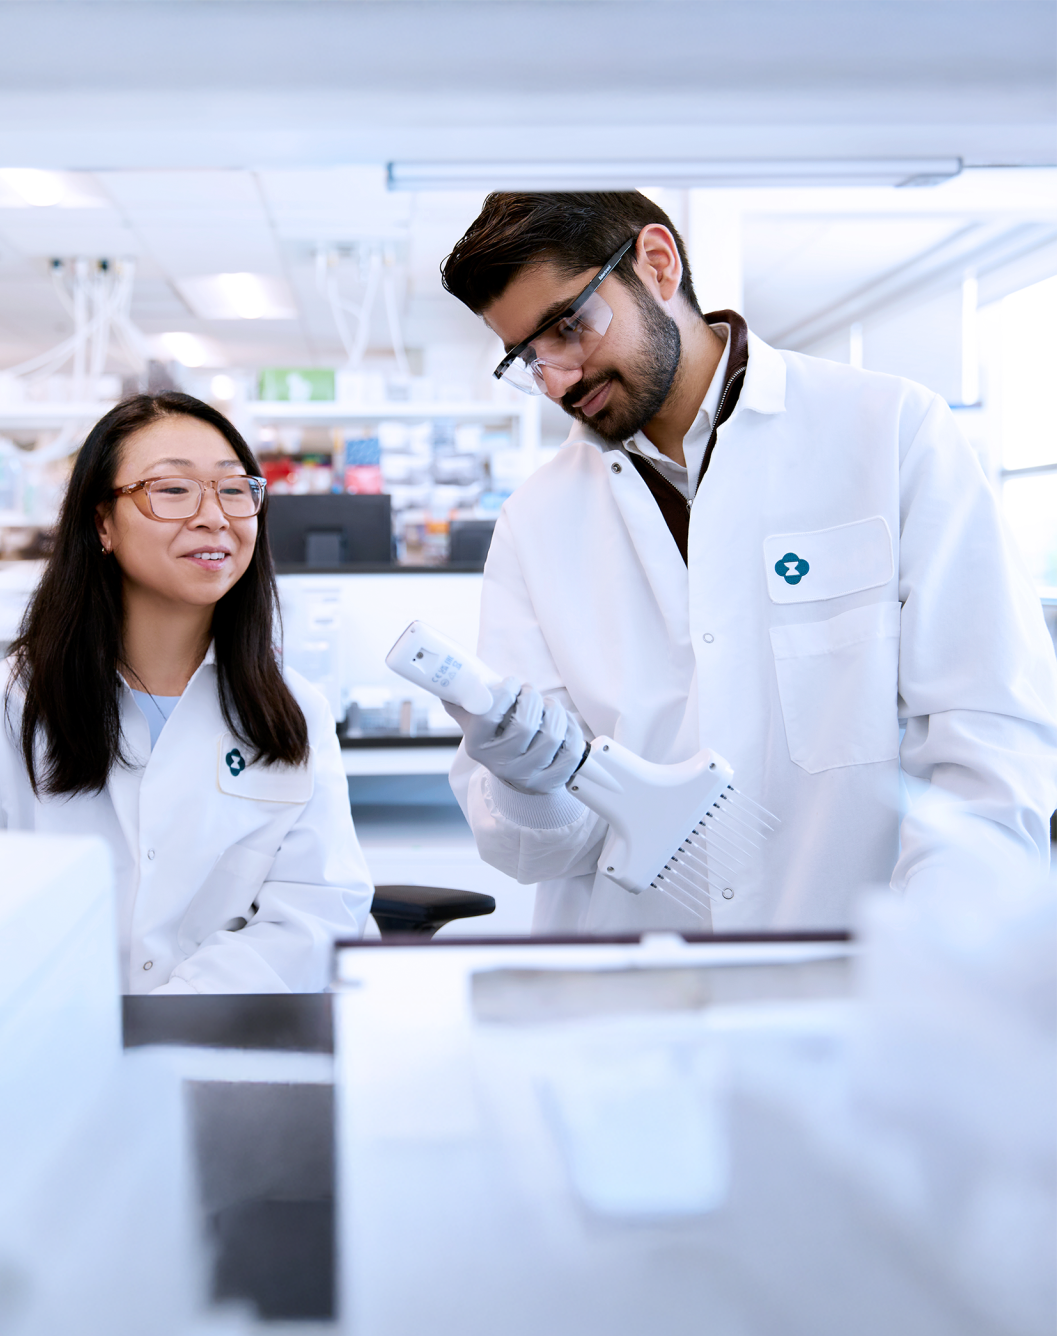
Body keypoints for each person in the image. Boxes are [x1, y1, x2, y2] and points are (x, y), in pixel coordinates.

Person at [436, 190, 1057, 932]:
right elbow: (536, 851)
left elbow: (985, 733)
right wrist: (526, 781)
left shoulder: (889, 432)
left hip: (863, 970)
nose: (559, 379)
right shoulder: (535, 521)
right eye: (529, 358)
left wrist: (937, 948)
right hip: (631, 987)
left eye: (570, 326)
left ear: (658, 265)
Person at [0, 392, 372, 992]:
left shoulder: (293, 710)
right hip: (41, 1044)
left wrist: (178, 1013)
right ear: (103, 522)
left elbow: (319, 907)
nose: (214, 516)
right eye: (173, 490)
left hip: (222, 1043)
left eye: (234, 489)